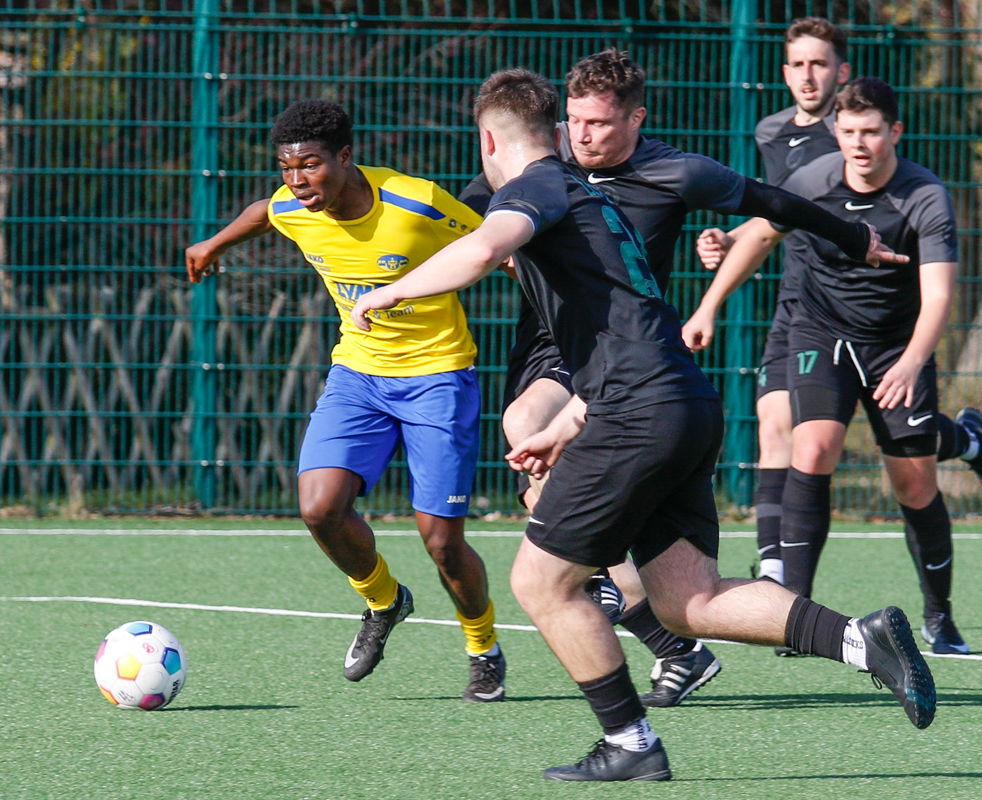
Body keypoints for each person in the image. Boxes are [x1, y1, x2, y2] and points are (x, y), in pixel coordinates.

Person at [351, 68, 935, 783]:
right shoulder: (594, 200)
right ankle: (859, 639)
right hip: (678, 402)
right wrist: (566, 424)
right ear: (560, 128)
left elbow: (481, 249)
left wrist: (389, 291)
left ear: (488, 141)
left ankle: (630, 740)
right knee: (690, 600)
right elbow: (623, 338)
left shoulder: (535, 187)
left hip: (636, 410)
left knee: (542, 583)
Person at [460, 47, 911, 706]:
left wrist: (852, 237)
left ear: (636, 119)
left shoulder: (673, 172)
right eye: (574, 121)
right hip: (568, 351)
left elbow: (772, 201)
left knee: (529, 439)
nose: (583, 135)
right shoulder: (538, 170)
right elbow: (464, 227)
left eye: (600, 123)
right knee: (684, 598)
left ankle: (623, 707)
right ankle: (693, 636)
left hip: (628, 364)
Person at [184, 99, 506, 702]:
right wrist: (213, 244)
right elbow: (263, 213)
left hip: (438, 377)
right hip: (357, 375)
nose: (297, 180)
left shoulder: (417, 203)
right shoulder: (293, 207)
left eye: (310, 164)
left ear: (346, 156)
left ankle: (482, 646)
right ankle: (384, 601)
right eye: (287, 167)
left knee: (441, 541)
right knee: (318, 508)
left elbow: (500, 246)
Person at [696, 18, 982, 600]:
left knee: (909, 471)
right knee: (788, 435)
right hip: (807, 309)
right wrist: (723, 255)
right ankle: (781, 586)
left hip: (887, 324)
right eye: (798, 64)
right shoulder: (776, 136)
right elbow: (773, 220)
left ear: (842, 74)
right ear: (784, 72)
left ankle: (964, 451)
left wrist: (913, 358)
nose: (807, 75)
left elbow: (936, 289)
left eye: (819, 63)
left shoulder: (896, 169)